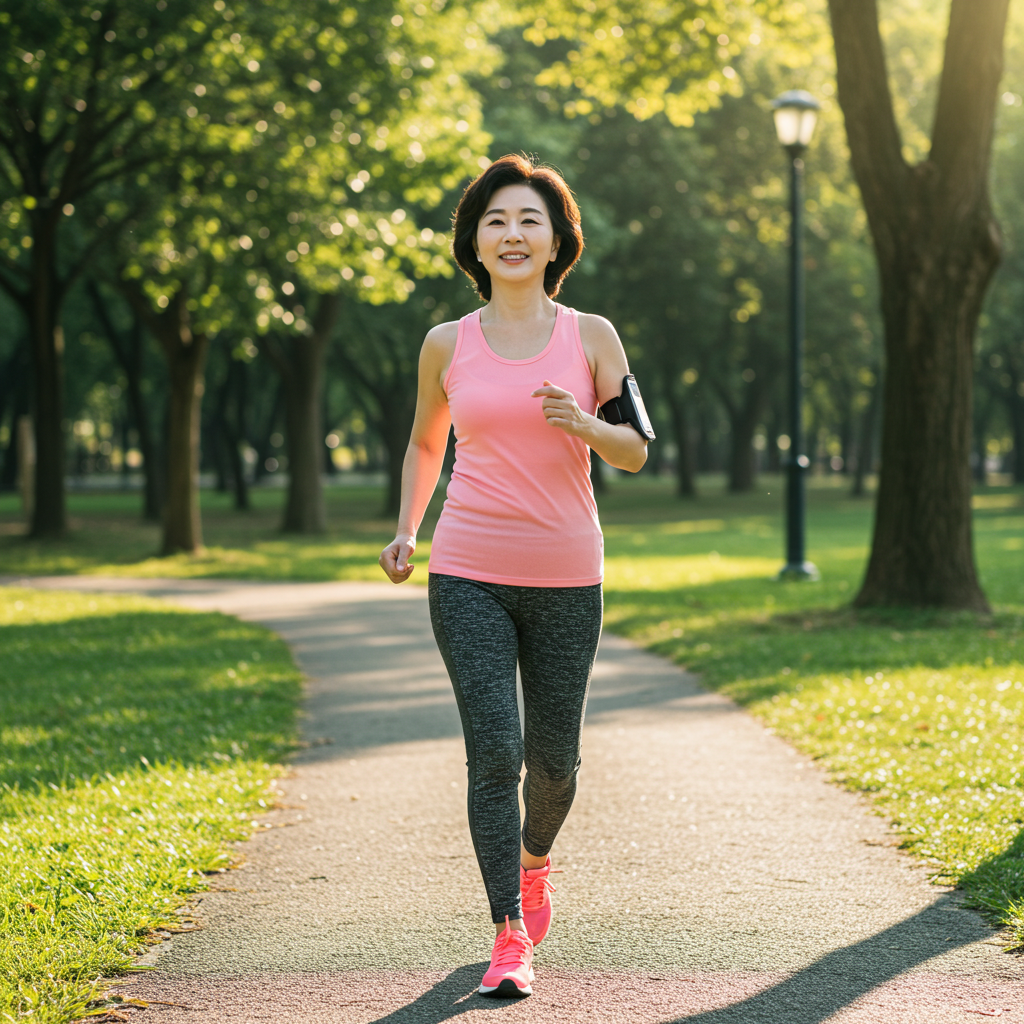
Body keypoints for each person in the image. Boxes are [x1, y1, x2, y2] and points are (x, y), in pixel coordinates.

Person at [379, 153, 650, 998]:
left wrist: (586, 426)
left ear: (556, 238)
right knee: (495, 751)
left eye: (529, 219)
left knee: (555, 765)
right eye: (496, 220)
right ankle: (506, 931)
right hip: (467, 571)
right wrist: (405, 530)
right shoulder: (445, 344)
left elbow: (637, 449)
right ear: (476, 240)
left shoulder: (592, 336)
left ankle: (537, 862)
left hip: (569, 572)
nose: (512, 233)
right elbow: (428, 443)